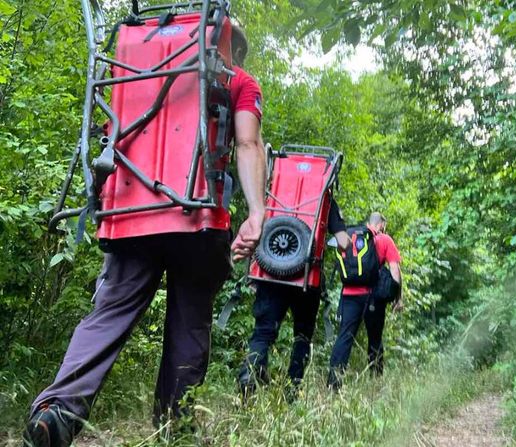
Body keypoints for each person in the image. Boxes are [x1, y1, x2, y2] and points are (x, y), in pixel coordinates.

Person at [23, 24, 265, 446]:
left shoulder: (139, 68)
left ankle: (56, 411)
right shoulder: (239, 80)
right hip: (198, 218)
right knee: (189, 328)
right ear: (233, 47)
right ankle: (174, 429)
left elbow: (110, 136)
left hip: (132, 211)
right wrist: (257, 213)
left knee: (108, 315)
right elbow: (247, 144)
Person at [238, 199, 351, 399]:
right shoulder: (325, 199)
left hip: (271, 274)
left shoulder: (272, 190)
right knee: (302, 337)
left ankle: (250, 374)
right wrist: (344, 245)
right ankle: (292, 389)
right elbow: (343, 241)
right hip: (307, 278)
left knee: (263, 333)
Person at [327, 212, 403, 390]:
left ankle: (333, 385)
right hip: (372, 297)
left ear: (368, 222)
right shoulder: (384, 240)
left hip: (348, 295)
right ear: (381, 224)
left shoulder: (348, 237)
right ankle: (375, 383)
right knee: (375, 339)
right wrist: (397, 298)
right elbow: (395, 270)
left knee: (344, 337)